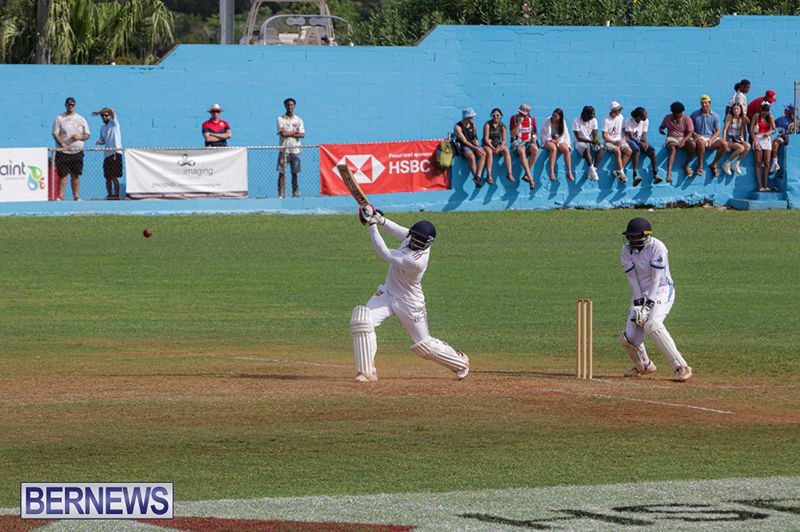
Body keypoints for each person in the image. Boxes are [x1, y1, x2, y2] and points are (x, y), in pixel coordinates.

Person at [350, 205, 470, 382]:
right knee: (362, 321)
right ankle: (367, 372)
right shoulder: (413, 236)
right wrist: (380, 219)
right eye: (414, 238)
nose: (415, 243)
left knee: (425, 346)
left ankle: (460, 363)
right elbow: (399, 231)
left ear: (427, 243)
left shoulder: (417, 261)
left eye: (421, 241)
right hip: (388, 293)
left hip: (409, 303)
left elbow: (384, 253)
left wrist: (372, 225)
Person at [619, 217, 692, 382]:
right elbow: (632, 279)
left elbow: (656, 280)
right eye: (630, 237)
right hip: (641, 293)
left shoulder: (657, 247)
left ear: (646, 235)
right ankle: (644, 365)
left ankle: (682, 367)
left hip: (662, 290)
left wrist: (648, 305)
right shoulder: (626, 249)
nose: (632, 240)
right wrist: (639, 304)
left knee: (652, 324)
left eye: (635, 237)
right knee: (629, 337)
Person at [51, 97, 90, 201]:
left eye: (72, 104)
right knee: (62, 175)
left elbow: (87, 135)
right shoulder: (59, 118)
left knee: (75, 175)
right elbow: (55, 134)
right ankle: (60, 196)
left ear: (75, 105)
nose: (70, 106)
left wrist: (80, 137)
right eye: (69, 104)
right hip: (63, 152)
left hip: (77, 152)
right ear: (65, 105)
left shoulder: (81, 119)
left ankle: (76, 196)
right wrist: (62, 144)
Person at [689, 95, 728, 177]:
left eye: (706, 103)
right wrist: (696, 135)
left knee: (724, 144)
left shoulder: (715, 116)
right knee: (701, 143)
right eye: (702, 103)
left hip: (711, 137)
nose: (704, 105)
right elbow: (690, 129)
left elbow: (718, 131)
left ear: (709, 103)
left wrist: (711, 140)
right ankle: (700, 166)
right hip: (699, 137)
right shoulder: (694, 114)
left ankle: (714, 164)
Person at [658, 101, 695, 182]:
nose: (676, 116)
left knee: (692, 145)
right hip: (671, 138)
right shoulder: (667, 117)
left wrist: (684, 141)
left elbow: (690, 133)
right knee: (673, 149)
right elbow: (661, 127)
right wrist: (661, 130)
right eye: (674, 114)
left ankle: (686, 165)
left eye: (677, 114)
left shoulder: (687, 119)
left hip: (682, 137)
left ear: (681, 112)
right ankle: (668, 174)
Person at [624, 107, 661, 186]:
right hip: (630, 141)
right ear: (638, 116)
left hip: (640, 141)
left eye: (646, 115)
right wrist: (640, 143)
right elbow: (631, 137)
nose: (646, 117)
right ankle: (635, 175)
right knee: (637, 150)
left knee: (652, 151)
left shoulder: (646, 121)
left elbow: (643, 136)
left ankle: (655, 174)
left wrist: (646, 143)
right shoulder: (629, 121)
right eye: (644, 115)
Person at [92, 107, 123, 199]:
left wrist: (99, 111)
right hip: (107, 155)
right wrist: (99, 142)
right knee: (107, 177)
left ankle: (116, 195)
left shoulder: (114, 123)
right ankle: (110, 195)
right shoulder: (102, 128)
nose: (104, 117)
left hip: (115, 153)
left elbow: (112, 110)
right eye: (102, 116)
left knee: (114, 176)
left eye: (105, 115)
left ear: (109, 116)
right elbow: (103, 140)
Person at [277, 97, 305, 198]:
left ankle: (294, 193)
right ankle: (280, 195)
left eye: (291, 105)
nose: (290, 107)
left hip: (296, 149)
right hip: (284, 150)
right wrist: (294, 132)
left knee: (295, 173)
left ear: (294, 106)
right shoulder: (280, 118)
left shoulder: (299, 120)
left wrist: (288, 133)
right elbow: (283, 133)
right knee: (282, 173)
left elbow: (302, 135)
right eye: (288, 105)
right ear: (285, 106)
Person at [453, 107, 487, 187]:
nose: (473, 118)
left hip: (472, 145)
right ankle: (476, 177)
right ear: (467, 117)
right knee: (471, 157)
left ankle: (477, 177)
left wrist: (478, 146)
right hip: (462, 146)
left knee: (483, 154)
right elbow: (464, 141)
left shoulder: (473, 125)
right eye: (472, 116)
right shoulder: (457, 127)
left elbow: (475, 138)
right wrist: (476, 148)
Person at [510, 103, 539, 189]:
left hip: (528, 141)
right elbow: (512, 135)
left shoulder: (532, 119)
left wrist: (534, 138)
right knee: (521, 151)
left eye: (523, 113)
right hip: (517, 141)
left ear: (527, 113)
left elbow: (534, 132)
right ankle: (530, 179)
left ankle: (526, 175)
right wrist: (519, 123)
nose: (521, 115)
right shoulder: (514, 118)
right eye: (520, 112)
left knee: (535, 149)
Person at [540, 108, 574, 182]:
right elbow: (543, 133)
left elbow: (566, 134)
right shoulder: (548, 120)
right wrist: (552, 140)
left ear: (560, 117)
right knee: (553, 148)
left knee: (566, 149)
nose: (553, 117)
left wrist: (567, 144)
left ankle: (569, 172)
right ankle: (551, 171)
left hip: (559, 140)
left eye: (555, 116)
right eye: (553, 115)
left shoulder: (562, 122)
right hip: (548, 140)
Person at [602, 101, 632, 183]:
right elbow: (604, 136)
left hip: (619, 140)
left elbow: (624, 129)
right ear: (613, 111)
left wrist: (624, 138)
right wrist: (613, 142)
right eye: (618, 110)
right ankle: (621, 172)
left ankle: (619, 170)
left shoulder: (621, 117)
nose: (620, 112)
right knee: (617, 151)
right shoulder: (606, 120)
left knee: (629, 151)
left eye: (620, 110)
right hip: (609, 141)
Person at [482, 108, 514, 184]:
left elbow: (504, 140)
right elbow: (486, 138)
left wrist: (499, 147)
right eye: (494, 115)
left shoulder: (502, 126)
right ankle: (489, 175)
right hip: (488, 144)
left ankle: (509, 174)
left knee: (506, 151)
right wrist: (492, 147)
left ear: (501, 116)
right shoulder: (487, 124)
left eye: (497, 115)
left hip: (497, 143)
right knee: (489, 152)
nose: (496, 117)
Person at [572, 105, 604, 181]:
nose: (592, 118)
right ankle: (592, 169)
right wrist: (591, 141)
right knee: (586, 149)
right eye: (590, 116)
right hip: (579, 141)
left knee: (602, 148)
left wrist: (598, 140)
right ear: (585, 114)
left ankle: (593, 170)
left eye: (593, 116)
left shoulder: (594, 120)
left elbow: (595, 134)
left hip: (590, 140)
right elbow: (578, 137)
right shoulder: (576, 121)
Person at [750, 101, 776, 192]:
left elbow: (774, 129)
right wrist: (755, 141)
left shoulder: (770, 117)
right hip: (758, 138)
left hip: (767, 140)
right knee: (758, 162)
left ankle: (766, 185)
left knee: (767, 163)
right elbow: (751, 130)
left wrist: (768, 133)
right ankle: (760, 186)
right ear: (760, 110)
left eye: (766, 111)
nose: (764, 113)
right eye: (763, 111)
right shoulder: (756, 116)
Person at [720, 103, 751, 176]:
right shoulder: (730, 116)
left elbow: (744, 129)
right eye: (734, 109)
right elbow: (725, 130)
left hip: (738, 139)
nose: (736, 110)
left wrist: (744, 140)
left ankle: (736, 163)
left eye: (737, 109)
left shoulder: (742, 118)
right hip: (730, 138)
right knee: (741, 148)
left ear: (740, 110)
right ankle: (726, 163)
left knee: (747, 146)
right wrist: (724, 141)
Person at [770, 104, 795, 175]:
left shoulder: (795, 120)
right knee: (774, 143)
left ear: (790, 111)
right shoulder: (781, 118)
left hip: (788, 138)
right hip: (780, 138)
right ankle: (775, 163)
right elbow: (773, 124)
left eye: (786, 109)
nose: (785, 110)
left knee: (781, 137)